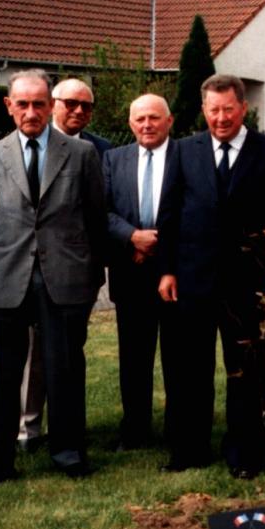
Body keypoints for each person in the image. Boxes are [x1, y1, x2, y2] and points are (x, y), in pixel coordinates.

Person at [156, 74, 265, 478]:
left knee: (246, 372)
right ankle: (189, 449)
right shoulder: (183, 150)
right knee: (190, 370)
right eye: (213, 110)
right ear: (204, 110)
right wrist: (166, 269)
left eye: (228, 110)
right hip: (192, 279)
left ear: (244, 108)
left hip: (248, 282)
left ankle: (244, 453)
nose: (221, 118)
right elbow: (169, 213)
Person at [0, 70, 106, 482]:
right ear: (9, 106)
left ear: (51, 106)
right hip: (4, 278)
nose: (31, 112)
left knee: (64, 368)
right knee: (3, 373)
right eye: (22, 104)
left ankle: (68, 454)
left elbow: (96, 219)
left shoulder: (80, 155)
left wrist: (92, 277)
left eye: (39, 104)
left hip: (63, 278)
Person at [17, 76, 112, 452]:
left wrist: (94, 271)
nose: (77, 111)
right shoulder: (25, 146)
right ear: (53, 103)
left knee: (70, 351)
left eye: (86, 106)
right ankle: (28, 428)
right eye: (70, 103)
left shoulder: (101, 151)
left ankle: (67, 428)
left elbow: (100, 214)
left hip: (76, 273)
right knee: (32, 350)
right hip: (29, 269)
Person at [102, 94, 177, 450]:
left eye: (153, 118)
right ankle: (135, 430)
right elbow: (101, 211)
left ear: (169, 121)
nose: (147, 125)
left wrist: (160, 254)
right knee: (134, 360)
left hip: (175, 276)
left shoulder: (187, 157)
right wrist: (132, 237)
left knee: (178, 358)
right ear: (130, 124)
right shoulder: (113, 159)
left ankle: (179, 429)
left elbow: (193, 212)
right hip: (130, 274)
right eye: (140, 119)